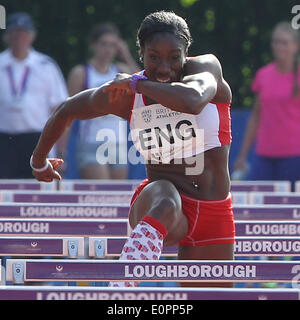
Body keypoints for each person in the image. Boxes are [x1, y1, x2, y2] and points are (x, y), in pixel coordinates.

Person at [30, 11, 234, 288]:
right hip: (158, 204)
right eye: (154, 57)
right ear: (141, 53)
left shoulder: (205, 69)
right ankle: (123, 284)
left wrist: (138, 83)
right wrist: (39, 161)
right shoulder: (126, 94)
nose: (164, 68)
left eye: (174, 57)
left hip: (214, 211)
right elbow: (67, 109)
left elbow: (193, 100)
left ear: (187, 52)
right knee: (166, 198)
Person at [67, 23, 140, 179]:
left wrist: (126, 55)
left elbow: (143, 84)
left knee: (118, 196)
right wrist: (61, 149)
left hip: (117, 143)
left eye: (113, 45)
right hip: (91, 141)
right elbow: (66, 112)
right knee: (100, 193)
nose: (108, 50)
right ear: (94, 45)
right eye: (104, 44)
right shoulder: (81, 73)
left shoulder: (121, 71)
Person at [0, 12, 68, 179]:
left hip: (37, 139)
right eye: (15, 33)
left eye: (23, 33)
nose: (19, 38)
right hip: (3, 140)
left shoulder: (46, 65)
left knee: (38, 189)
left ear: (32, 36)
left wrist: (61, 151)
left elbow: (60, 109)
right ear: (7, 36)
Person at [234, 22, 300, 189]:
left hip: (295, 155)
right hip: (264, 154)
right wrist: (242, 155)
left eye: (284, 42)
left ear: (295, 46)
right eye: (276, 41)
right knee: (260, 205)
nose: (279, 46)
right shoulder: (263, 75)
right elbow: (256, 116)